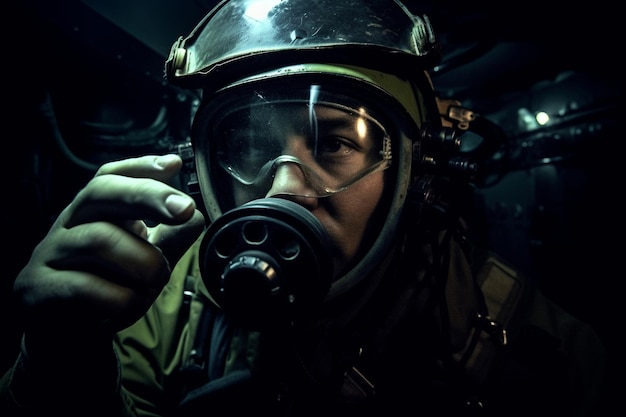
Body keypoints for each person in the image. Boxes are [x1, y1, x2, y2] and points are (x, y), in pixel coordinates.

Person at [0, 0, 607, 416]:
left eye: (337, 142)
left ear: (415, 174)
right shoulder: (164, 302)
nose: (284, 188)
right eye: (249, 147)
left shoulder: (534, 346)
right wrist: (59, 363)